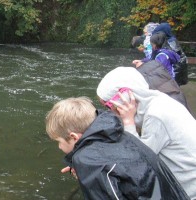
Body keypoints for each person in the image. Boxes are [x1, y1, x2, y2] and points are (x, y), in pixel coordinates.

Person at [45, 96, 189, 199]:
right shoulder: (118, 134)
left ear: (74, 137)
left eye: (59, 141)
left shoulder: (89, 161)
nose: (59, 146)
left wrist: (87, 169)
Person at [96, 67, 196, 199]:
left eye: (108, 106)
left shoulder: (156, 115)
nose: (109, 111)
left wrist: (128, 122)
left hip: (187, 190)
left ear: (125, 98)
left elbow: (137, 161)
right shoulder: (159, 100)